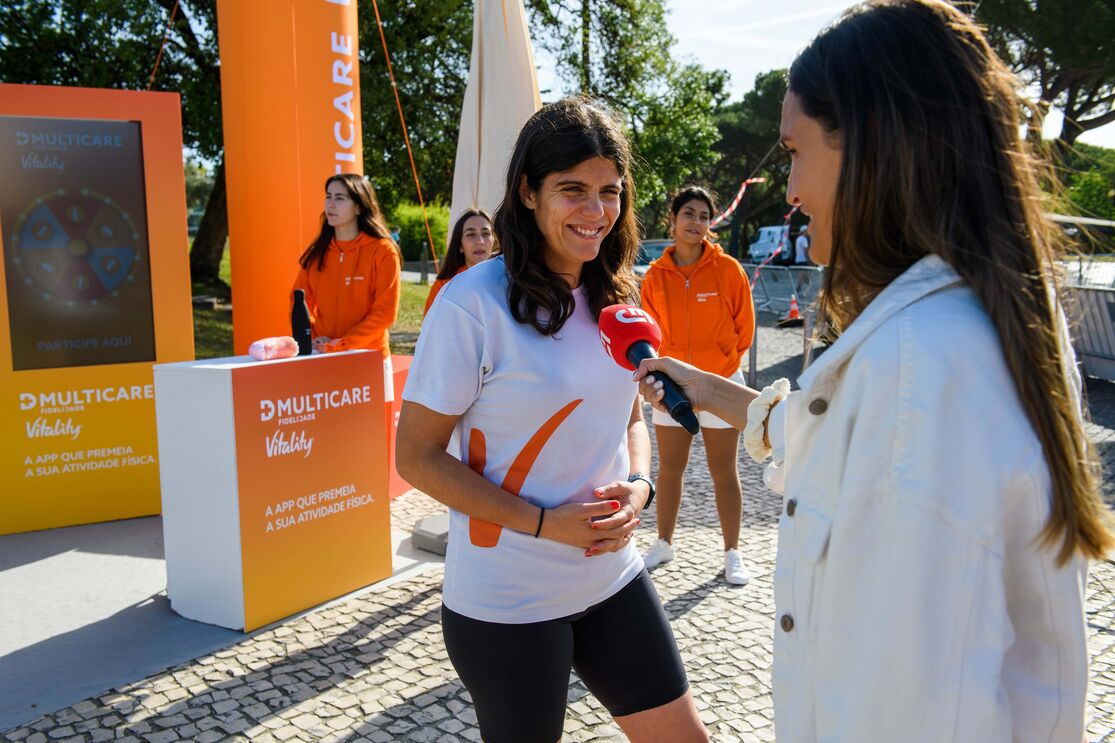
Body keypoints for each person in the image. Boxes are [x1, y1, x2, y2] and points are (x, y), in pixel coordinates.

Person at [636, 1, 1115, 740]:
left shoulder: (915, 371)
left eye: (795, 151)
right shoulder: (972, 328)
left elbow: (898, 711)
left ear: (871, 146)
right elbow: (844, 451)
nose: (789, 192)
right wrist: (705, 388)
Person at [396, 98, 708, 743]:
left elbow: (629, 415)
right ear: (527, 192)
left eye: (610, 191)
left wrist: (640, 487)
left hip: (612, 576)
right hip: (508, 600)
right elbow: (416, 457)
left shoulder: (616, 295)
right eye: (573, 190)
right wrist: (543, 523)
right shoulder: (471, 304)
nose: (596, 211)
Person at [639, 186, 756, 585]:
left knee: (724, 471)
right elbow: (650, 335)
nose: (696, 222)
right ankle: (663, 542)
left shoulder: (729, 270)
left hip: (722, 385)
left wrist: (718, 371)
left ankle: (732, 552)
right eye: (689, 213)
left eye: (704, 216)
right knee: (670, 470)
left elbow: (745, 331)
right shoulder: (655, 276)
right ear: (673, 219)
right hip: (671, 390)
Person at [292, 174, 401, 358]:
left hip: (369, 357)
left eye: (339, 198)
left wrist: (345, 343)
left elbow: (385, 312)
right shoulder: (318, 252)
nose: (331, 204)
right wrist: (311, 337)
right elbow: (298, 301)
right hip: (323, 353)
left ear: (359, 207)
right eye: (328, 196)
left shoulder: (383, 251)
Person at [423, 208, 495, 317]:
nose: (480, 241)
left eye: (486, 233)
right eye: (471, 234)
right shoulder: (443, 286)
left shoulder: (508, 281)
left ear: (494, 241)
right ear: (460, 245)